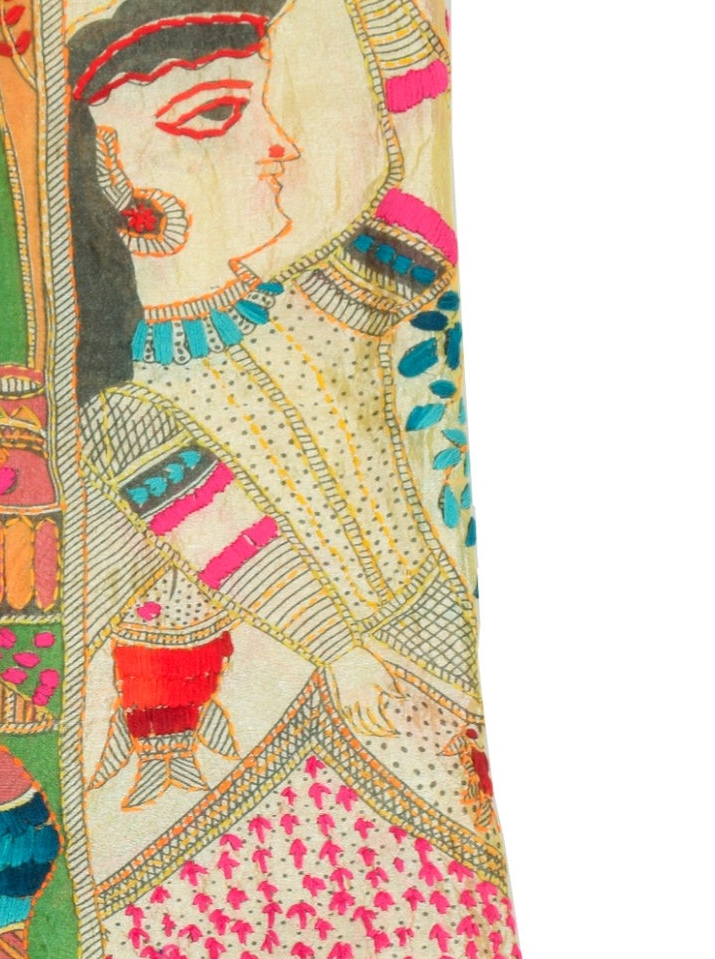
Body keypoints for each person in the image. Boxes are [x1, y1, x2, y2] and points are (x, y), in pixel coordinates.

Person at [69, 0, 477, 810]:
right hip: (330, 681)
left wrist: (386, 12)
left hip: (431, 624)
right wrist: (340, 653)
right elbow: (233, 542)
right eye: (218, 114)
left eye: (266, 104)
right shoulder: (121, 401)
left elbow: (423, 176)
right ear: (111, 167)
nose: (280, 145)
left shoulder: (320, 300)